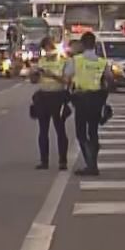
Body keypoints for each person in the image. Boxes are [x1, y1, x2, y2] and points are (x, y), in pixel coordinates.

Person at [66, 31, 111, 175]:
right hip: (96, 100)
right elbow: (109, 79)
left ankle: (90, 164)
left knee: (81, 133)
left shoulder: (76, 60)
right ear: (94, 44)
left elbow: (67, 76)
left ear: (83, 44)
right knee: (93, 132)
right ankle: (94, 164)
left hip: (81, 99)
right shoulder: (102, 62)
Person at [28, 36, 71, 170]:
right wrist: (33, 74)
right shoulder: (41, 61)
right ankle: (44, 161)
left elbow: (67, 81)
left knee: (60, 130)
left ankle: (63, 161)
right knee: (43, 131)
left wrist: (51, 74)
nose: (48, 51)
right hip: (43, 96)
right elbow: (34, 81)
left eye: (50, 47)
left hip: (58, 96)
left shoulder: (65, 61)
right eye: (45, 48)